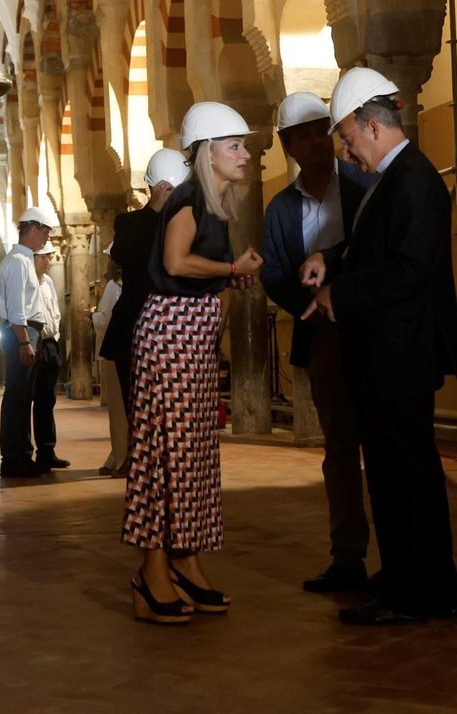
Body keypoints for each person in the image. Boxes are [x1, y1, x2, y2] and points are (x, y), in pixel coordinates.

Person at [300, 68, 457, 626]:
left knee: (404, 478)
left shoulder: (413, 179)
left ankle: (414, 593)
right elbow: (375, 246)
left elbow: (410, 269)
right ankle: (416, 579)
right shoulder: (396, 178)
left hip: (401, 355)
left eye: (348, 139)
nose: (347, 152)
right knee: (400, 474)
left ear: (372, 128)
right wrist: (332, 259)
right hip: (389, 355)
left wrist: (340, 293)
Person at [123, 103, 263, 625]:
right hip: (172, 336)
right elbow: (175, 262)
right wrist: (228, 267)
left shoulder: (209, 202)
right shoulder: (189, 198)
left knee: (193, 456)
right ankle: (151, 572)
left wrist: (228, 275)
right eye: (235, 146)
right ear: (208, 152)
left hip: (190, 337)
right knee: (165, 455)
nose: (245, 154)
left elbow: (192, 269)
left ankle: (185, 559)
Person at [259, 91, 376, 593]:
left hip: (373, 330)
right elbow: (274, 274)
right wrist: (311, 304)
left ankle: (399, 558)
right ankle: (348, 557)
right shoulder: (281, 208)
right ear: (287, 145)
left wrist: (341, 287)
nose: (314, 142)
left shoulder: (365, 184)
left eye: (319, 132)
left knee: (386, 444)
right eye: (301, 136)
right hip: (325, 335)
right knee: (340, 449)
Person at [100, 148, 189, 476]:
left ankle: (170, 462)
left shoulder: (188, 221)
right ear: (154, 187)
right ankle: (137, 460)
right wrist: (153, 210)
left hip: (176, 326)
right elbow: (122, 252)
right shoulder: (130, 221)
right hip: (134, 327)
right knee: (136, 400)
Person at [0, 205, 57, 478]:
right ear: (32, 230)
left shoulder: (22, 260)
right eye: (44, 233)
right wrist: (24, 342)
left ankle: (21, 455)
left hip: (28, 332)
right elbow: (17, 307)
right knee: (17, 397)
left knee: (23, 397)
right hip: (23, 332)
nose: (46, 239)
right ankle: (14, 459)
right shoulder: (19, 262)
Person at [30, 241, 69, 471]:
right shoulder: (27, 282)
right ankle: (26, 453)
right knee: (29, 398)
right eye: (43, 257)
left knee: (47, 399)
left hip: (50, 344)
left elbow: (55, 312)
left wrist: (55, 337)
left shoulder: (49, 282)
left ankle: (46, 451)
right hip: (34, 344)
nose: (48, 261)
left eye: (50, 257)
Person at [92, 264, 127, 477]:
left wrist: (93, 316)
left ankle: (122, 458)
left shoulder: (114, 286)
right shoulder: (127, 284)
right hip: (125, 350)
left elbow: (106, 320)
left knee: (118, 409)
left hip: (114, 350)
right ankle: (116, 457)